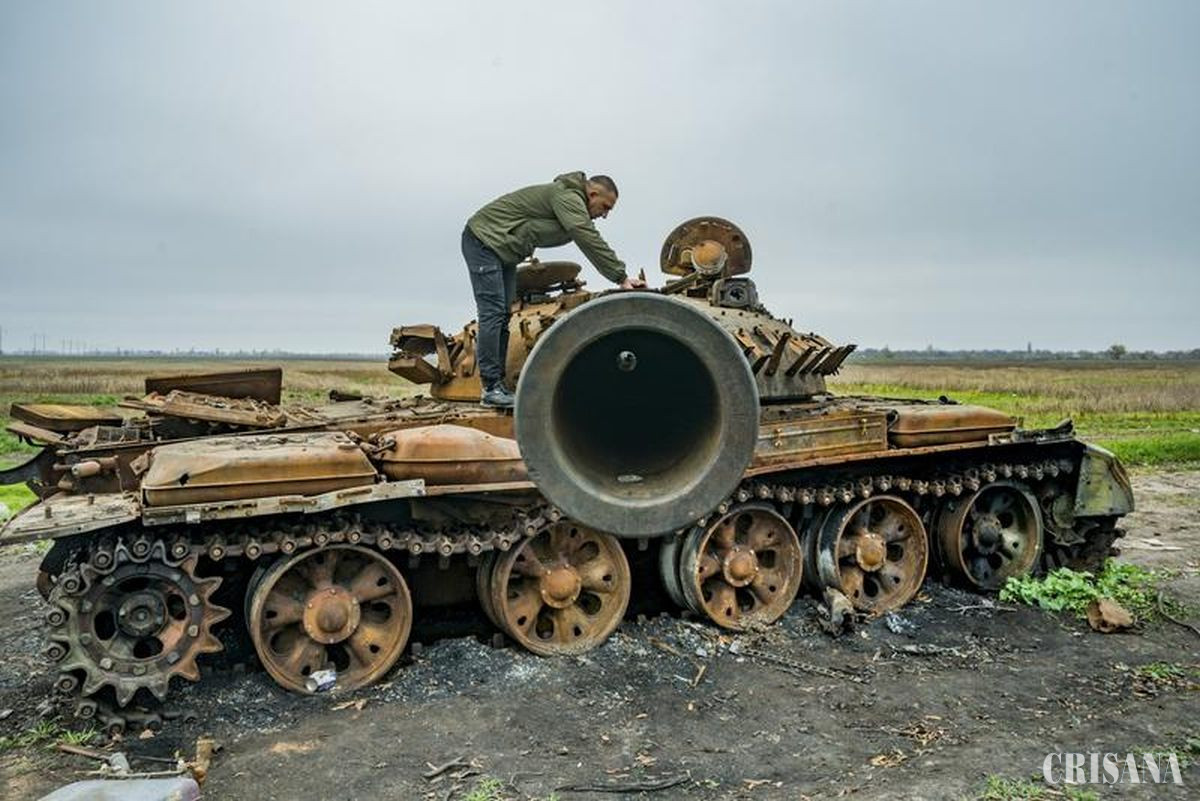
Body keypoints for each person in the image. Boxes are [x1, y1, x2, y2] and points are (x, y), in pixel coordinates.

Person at [462, 171, 645, 408]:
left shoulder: (570, 202)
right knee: (493, 313)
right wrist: (620, 276)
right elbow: (585, 235)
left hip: (502, 249)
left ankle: (498, 386)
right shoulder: (568, 197)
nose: (605, 214)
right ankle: (490, 388)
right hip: (483, 241)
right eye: (605, 207)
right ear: (592, 194)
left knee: (504, 315)